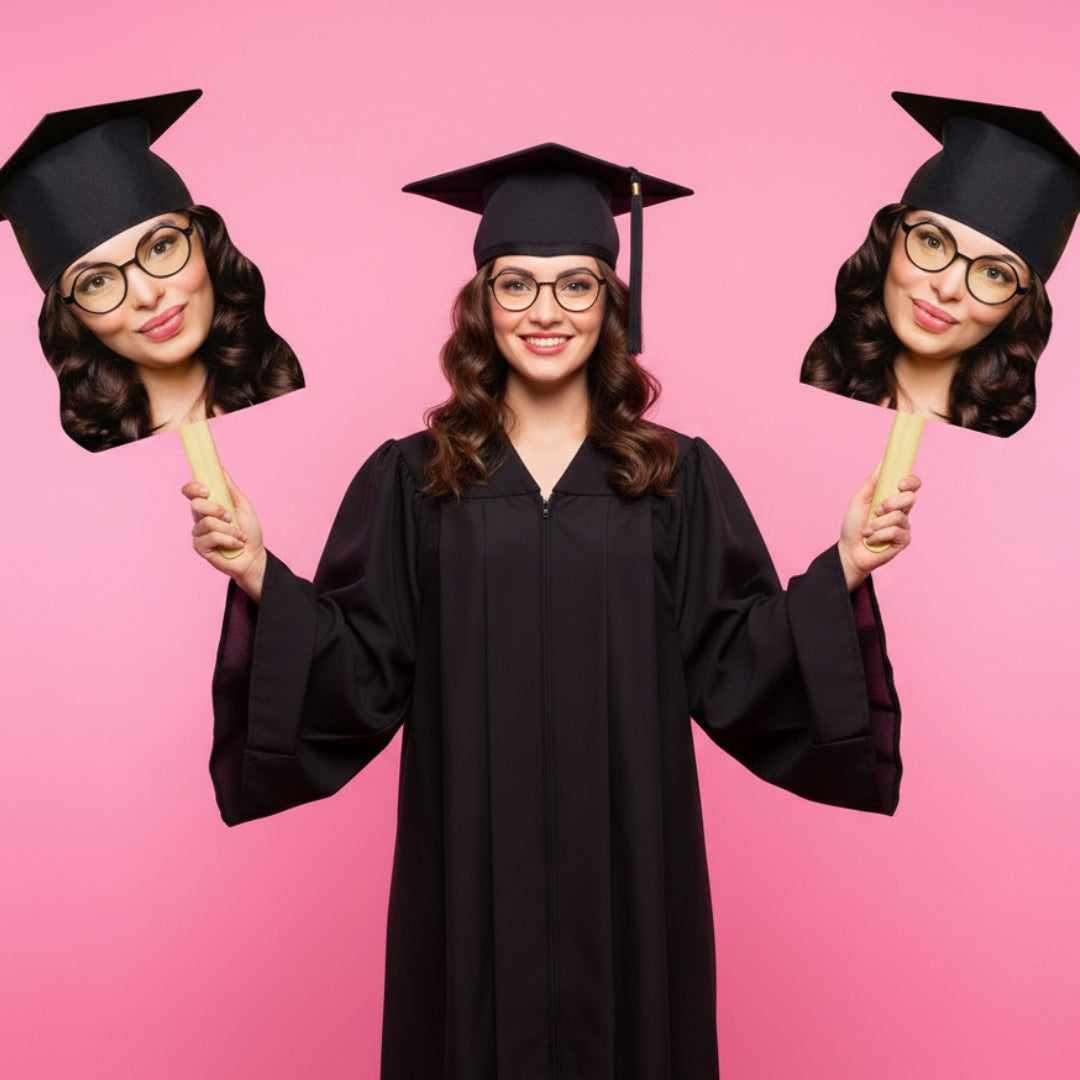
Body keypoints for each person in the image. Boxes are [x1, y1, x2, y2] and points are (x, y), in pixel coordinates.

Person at [184, 144, 919, 1079]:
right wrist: (257, 571)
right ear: (481, 305)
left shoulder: (676, 476)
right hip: (468, 869)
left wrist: (845, 563)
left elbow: (737, 655)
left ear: (613, 303)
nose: (546, 312)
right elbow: (361, 665)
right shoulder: (410, 480)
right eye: (518, 285)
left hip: (631, 862)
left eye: (575, 286)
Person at [0, 90, 303, 453]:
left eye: (161, 247)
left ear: (206, 242)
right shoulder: (85, 470)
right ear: (69, 314)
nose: (147, 296)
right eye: (97, 282)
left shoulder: (287, 390)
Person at [800, 92, 1080, 438]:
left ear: (1021, 304)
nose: (947, 289)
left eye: (995, 273)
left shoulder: (1018, 453)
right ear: (889, 239)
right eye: (932, 242)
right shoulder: (812, 384)